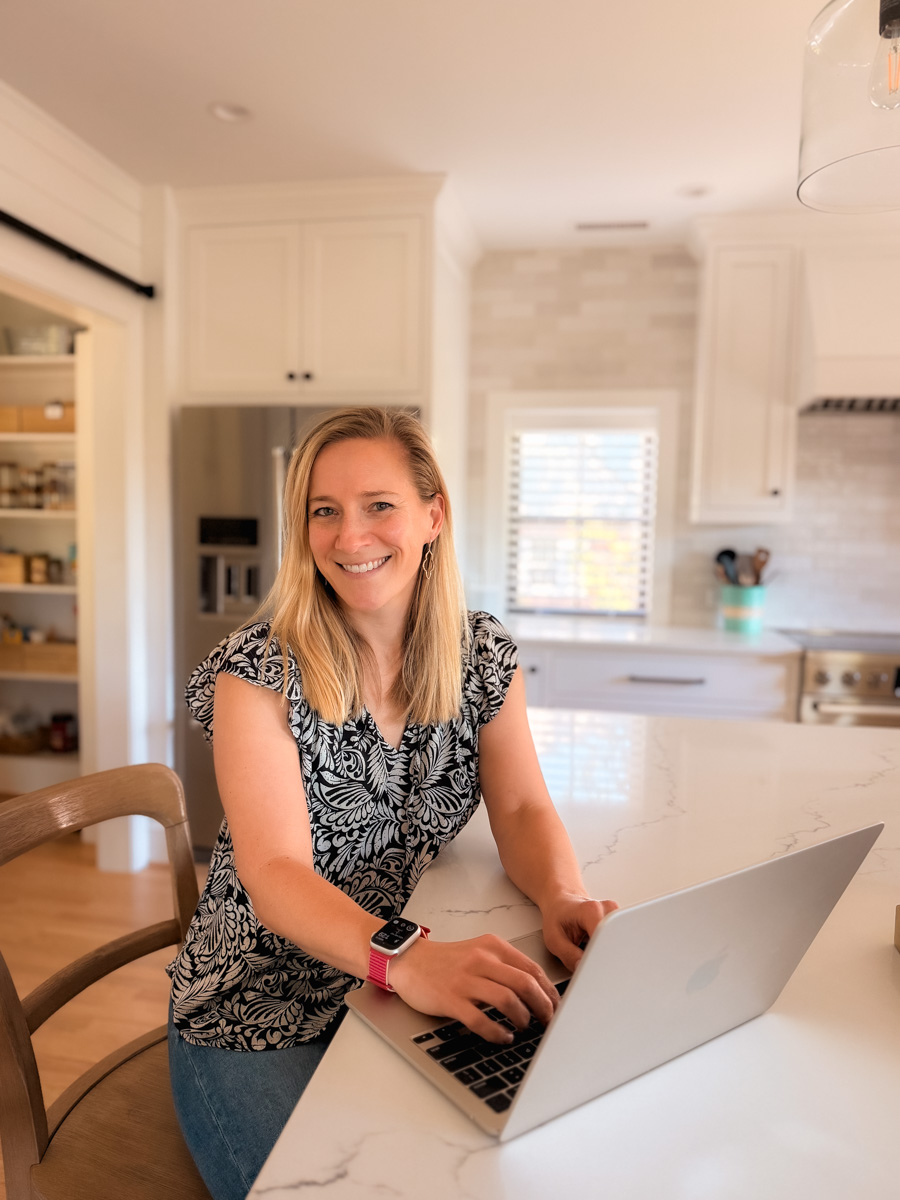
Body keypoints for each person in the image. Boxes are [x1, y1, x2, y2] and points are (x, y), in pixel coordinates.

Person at [167, 406, 617, 1200]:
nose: (350, 536)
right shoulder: (257, 673)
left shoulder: (480, 655)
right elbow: (274, 873)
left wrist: (562, 894)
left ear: (433, 516)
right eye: (325, 511)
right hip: (258, 1008)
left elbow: (520, 809)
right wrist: (405, 960)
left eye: (379, 505)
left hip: (390, 999)